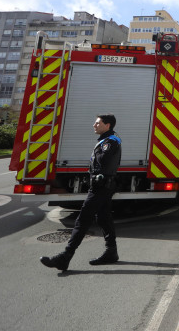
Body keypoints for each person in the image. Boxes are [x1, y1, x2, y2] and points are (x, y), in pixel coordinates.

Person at [40, 114, 122, 271]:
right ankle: (111, 252)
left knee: (83, 220)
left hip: (101, 186)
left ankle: (65, 256)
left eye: (98, 123)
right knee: (104, 218)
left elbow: (106, 163)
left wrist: (99, 176)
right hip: (103, 186)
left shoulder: (110, 142)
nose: (94, 125)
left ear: (108, 125)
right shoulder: (107, 140)